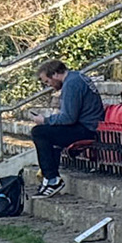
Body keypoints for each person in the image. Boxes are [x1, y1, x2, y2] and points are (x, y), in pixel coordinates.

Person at [29, 59, 103, 197]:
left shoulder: (71, 84)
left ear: (56, 74)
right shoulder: (76, 77)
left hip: (87, 129)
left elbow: (68, 118)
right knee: (51, 134)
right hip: (88, 125)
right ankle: (49, 178)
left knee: (38, 132)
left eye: (47, 81)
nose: (49, 85)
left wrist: (44, 120)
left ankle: (52, 179)